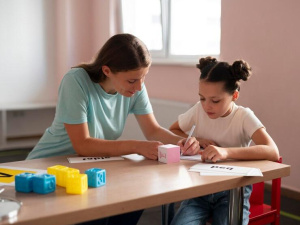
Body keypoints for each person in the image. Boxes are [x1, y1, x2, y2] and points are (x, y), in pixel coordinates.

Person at [26, 33, 199, 225]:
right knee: (94, 216)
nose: (139, 87)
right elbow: (82, 144)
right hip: (47, 166)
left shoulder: (135, 87)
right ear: (107, 71)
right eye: (132, 80)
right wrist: (137, 146)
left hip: (86, 168)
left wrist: (181, 142)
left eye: (143, 78)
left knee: (134, 199)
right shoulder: (75, 81)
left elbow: (153, 130)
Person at [169, 56, 280, 225]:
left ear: (234, 95)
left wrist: (225, 151)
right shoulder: (199, 110)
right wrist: (194, 140)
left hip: (232, 193)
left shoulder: (243, 116)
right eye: (202, 98)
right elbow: (173, 130)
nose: (207, 106)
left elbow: (272, 151)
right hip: (199, 190)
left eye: (215, 100)